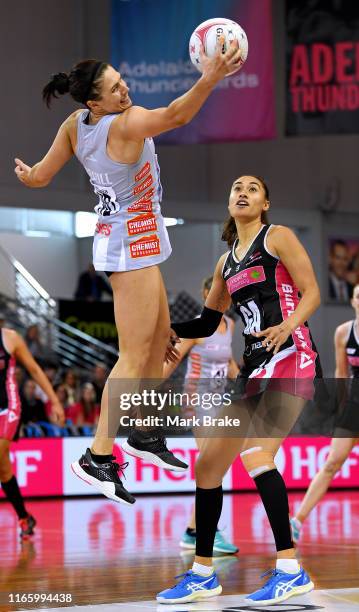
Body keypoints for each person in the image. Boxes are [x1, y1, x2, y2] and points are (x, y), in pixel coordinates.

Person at [14, 43, 242, 505]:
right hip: (129, 244)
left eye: (123, 81)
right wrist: (212, 76)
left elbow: (41, 176)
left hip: (134, 237)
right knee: (135, 358)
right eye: (115, 87)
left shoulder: (76, 125)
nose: (126, 89)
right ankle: (97, 456)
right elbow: (178, 115)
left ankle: (143, 433)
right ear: (95, 101)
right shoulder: (126, 123)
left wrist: (29, 178)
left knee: (160, 346)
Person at [157, 175, 321, 605]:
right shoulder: (225, 264)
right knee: (208, 466)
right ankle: (202, 573)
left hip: (291, 356)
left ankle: (290, 569)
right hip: (254, 369)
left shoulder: (278, 237)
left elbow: (314, 292)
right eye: (236, 188)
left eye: (252, 187)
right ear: (229, 203)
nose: (243, 192)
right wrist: (164, 329)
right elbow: (208, 323)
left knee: (256, 454)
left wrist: (287, 325)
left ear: (265, 201)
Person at [163, 276, 239, 555]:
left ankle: (194, 530)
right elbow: (173, 359)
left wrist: (248, 386)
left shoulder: (230, 325)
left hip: (218, 401)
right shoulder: (197, 327)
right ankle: (207, 531)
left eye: (228, 293)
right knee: (212, 464)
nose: (225, 298)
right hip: (196, 400)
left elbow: (229, 364)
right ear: (207, 295)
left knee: (214, 466)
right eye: (219, 293)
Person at [291, 283, 359, 543]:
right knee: (332, 463)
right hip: (354, 406)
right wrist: (340, 408)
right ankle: (297, 522)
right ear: (352, 301)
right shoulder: (343, 333)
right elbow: (341, 374)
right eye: (358, 297)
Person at [0, 327, 64, 538]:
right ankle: (24, 517)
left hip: (8, 407)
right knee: (4, 470)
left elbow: (35, 370)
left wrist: (54, 401)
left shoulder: (10, 338)